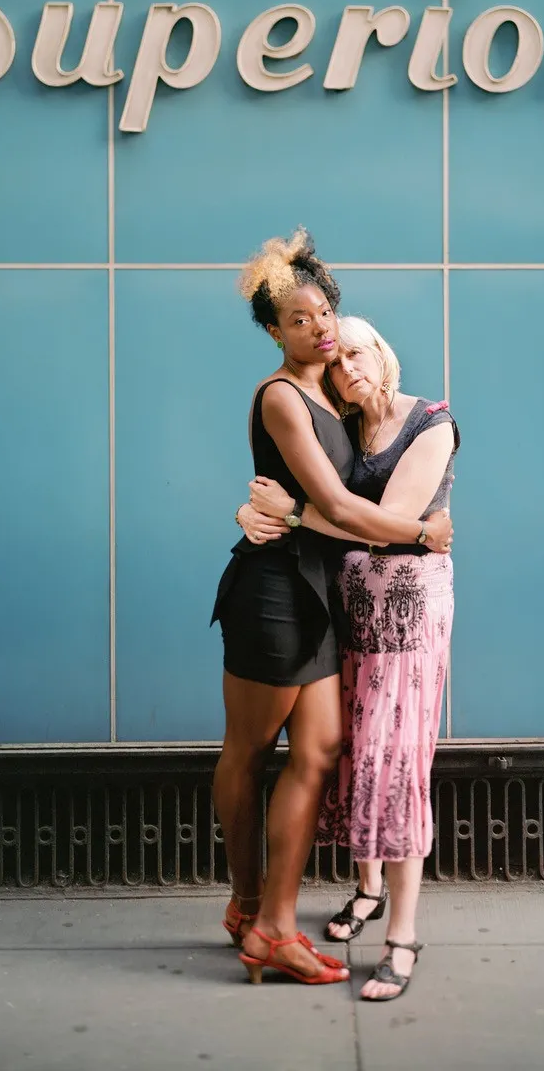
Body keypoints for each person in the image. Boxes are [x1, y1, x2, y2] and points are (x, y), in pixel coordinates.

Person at [211, 235, 454, 987]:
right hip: (275, 596)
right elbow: (341, 505)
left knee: (317, 751)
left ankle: (274, 924)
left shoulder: (336, 397)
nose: (316, 328)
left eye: (321, 311)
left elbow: (309, 495)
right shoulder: (283, 395)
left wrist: (270, 509)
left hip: (320, 599)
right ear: (274, 332)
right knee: (248, 753)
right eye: (295, 318)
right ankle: (253, 910)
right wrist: (423, 533)